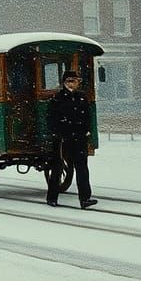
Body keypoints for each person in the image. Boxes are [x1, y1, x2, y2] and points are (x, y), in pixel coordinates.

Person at [46, 70, 97, 209]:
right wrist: (57, 133)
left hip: (79, 138)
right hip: (63, 139)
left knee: (82, 168)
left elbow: (87, 116)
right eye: (69, 81)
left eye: (74, 81)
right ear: (64, 83)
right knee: (57, 168)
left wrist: (87, 131)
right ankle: (52, 197)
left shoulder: (82, 97)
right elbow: (51, 118)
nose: (72, 84)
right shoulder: (57, 98)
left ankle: (85, 199)